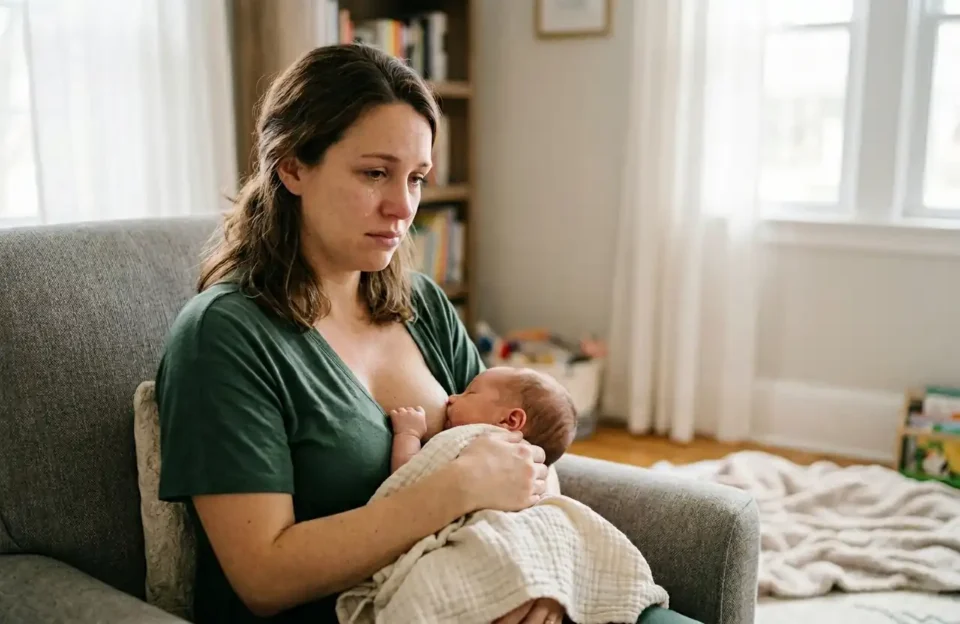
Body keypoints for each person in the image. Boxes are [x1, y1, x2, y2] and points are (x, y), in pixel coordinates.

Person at [155, 43, 700, 624]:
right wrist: (456, 489)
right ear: (292, 166)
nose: (403, 206)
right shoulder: (225, 336)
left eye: (415, 177)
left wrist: (539, 569)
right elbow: (263, 577)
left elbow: (524, 449)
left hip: (500, 585)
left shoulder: (421, 305)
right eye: (374, 173)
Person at [388, 366, 578, 473]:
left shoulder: (474, 449)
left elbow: (407, 480)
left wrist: (408, 434)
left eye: (470, 392)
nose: (452, 398)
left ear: (509, 421)